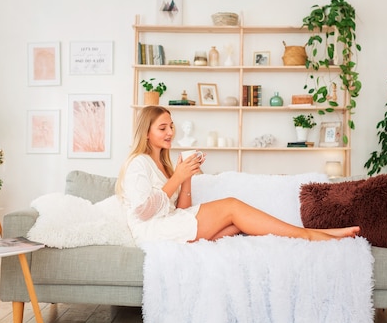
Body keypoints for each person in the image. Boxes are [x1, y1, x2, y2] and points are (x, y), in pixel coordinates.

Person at [116, 105, 360, 246]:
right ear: (146, 133)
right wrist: (177, 178)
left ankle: (312, 234)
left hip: (170, 223)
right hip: (152, 232)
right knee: (231, 206)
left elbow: (181, 209)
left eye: (171, 126)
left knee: (234, 226)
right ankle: (311, 236)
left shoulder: (164, 164)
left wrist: (187, 177)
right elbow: (143, 211)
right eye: (163, 128)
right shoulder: (139, 163)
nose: (170, 131)